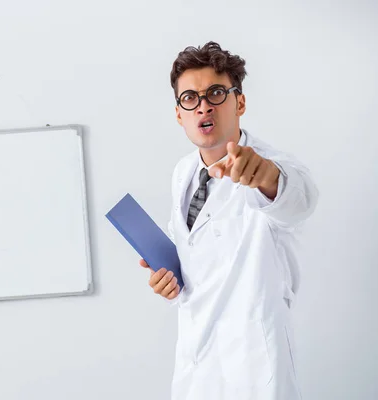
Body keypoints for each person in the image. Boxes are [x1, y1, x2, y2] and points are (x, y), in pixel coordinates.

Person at [139, 42, 319, 400]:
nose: (203, 105)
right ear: (179, 114)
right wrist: (169, 283)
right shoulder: (183, 172)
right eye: (190, 97)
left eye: (216, 93)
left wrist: (264, 175)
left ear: (240, 103)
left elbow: (299, 199)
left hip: (254, 367)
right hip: (196, 363)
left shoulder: (271, 165)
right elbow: (197, 263)